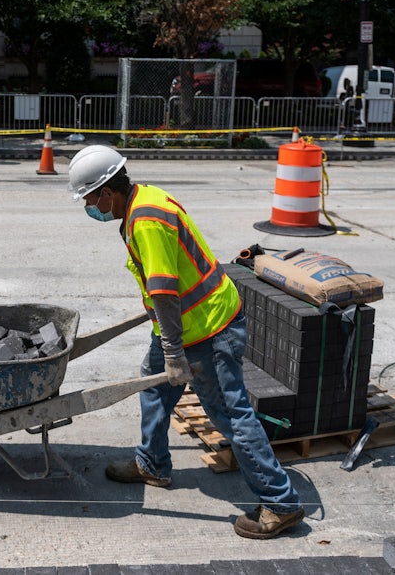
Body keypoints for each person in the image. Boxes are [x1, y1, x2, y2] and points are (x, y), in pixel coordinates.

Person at [67, 145, 305, 540]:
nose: (90, 207)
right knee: (155, 385)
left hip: (208, 329)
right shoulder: (142, 198)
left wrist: (175, 352)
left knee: (232, 415)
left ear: (107, 191)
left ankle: (281, 503)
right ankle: (153, 463)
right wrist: (166, 340)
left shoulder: (145, 221)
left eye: (90, 199)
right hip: (182, 324)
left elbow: (164, 290)